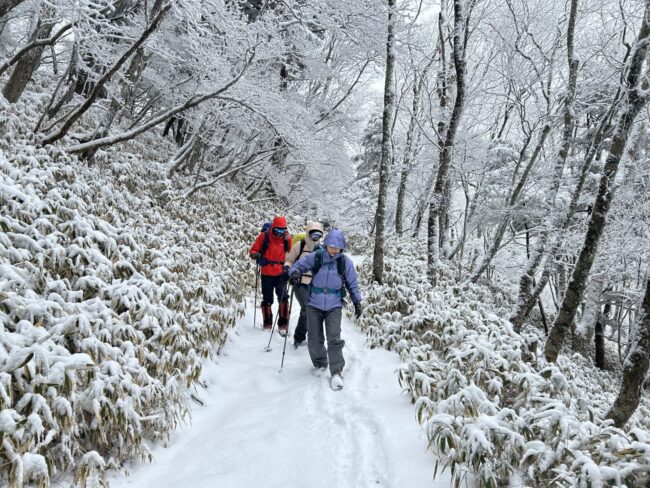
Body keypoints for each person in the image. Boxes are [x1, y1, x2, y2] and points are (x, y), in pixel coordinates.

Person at [289, 229, 362, 390]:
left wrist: (357, 301)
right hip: (313, 303)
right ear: (326, 245)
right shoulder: (317, 256)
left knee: (334, 338)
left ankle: (336, 371)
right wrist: (294, 273)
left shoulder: (345, 262)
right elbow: (299, 265)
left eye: (338, 247)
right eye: (331, 246)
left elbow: (352, 284)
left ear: (342, 248)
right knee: (314, 338)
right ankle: (320, 364)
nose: (334, 250)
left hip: (334, 305)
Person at [283, 221, 325, 349]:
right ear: (308, 233)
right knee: (307, 308)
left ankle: (301, 337)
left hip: (314, 284)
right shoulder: (299, 245)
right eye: (313, 234)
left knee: (310, 310)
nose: (315, 237)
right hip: (299, 282)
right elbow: (289, 261)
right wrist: (287, 269)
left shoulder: (322, 250)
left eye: (318, 235)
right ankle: (299, 338)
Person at [249, 216, 292, 335]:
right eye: (277, 230)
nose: (279, 233)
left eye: (282, 231)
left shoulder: (286, 239)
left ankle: (283, 324)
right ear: (273, 227)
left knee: (283, 297)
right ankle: (267, 323)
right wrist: (256, 255)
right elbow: (253, 250)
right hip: (267, 272)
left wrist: (289, 268)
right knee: (268, 299)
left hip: (281, 273)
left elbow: (291, 254)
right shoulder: (265, 236)